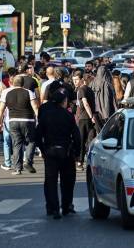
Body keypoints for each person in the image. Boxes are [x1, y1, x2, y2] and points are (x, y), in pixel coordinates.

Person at [36, 87, 81, 219]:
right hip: (66, 152)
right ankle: (66, 206)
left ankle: (53, 208)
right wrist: (77, 153)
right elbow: (76, 136)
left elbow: (37, 134)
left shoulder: (45, 115)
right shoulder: (68, 116)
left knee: (50, 181)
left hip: (50, 151)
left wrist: (42, 149)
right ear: (63, 102)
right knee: (67, 180)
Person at [0, 75, 39, 175]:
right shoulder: (29, 92)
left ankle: (17, 169)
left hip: (13, 121)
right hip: (28, 120)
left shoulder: (7, 93)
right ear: (23, 83)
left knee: (17, 144)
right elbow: (35, 107)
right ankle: (28, 162)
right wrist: (39, 119)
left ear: (12, 83)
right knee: (31, 141)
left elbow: (1, 109)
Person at [73, 72, 95, 170]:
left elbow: (85, 103)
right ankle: (90, 161)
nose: (75, 82)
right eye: (73, 80)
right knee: (90, 141)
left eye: (77, 80)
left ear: (82, 79)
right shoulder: (89, 89)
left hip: (83, 118)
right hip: (89, 118)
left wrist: (90, 116)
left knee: (81, 141)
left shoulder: (81, 90)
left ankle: (79, 162)